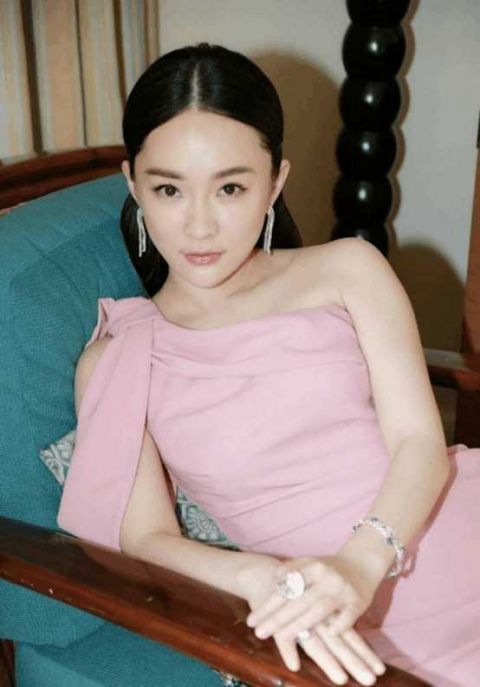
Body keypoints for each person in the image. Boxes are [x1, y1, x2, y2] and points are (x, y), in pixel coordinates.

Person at [57, 42, 480, 687]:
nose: (200, 227)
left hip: (439, 530)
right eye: (168, 189)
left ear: (275, 183)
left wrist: (361, 563)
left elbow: (418, 442)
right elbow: (144, 538)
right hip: (323, 615)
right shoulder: (118, 357)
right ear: (133, 184)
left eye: (230, 187)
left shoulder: (348, 269)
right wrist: (258, 577)